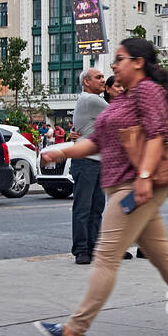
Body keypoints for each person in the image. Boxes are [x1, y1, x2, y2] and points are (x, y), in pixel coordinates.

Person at [34, 38, 168, 336]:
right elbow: (97, 143)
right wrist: (62, 152)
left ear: (138, 62)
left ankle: (75, 328)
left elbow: (157, 136)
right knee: (162, 254)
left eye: (120, 59)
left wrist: (144, 178)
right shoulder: (123, 98)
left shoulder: (148, 91)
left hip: (135, 186)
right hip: (125, 184)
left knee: (105, 256)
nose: (114, 65)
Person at [69, 68, 109, 265]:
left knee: (96, 208)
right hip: (86, 162)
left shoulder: (89, 101)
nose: (102, 80)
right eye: (98, 77)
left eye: (103, 77)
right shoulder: (90, 100)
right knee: (84, 208)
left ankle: (93, 247)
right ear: (86, 82)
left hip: (96, 161)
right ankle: (82, 250)